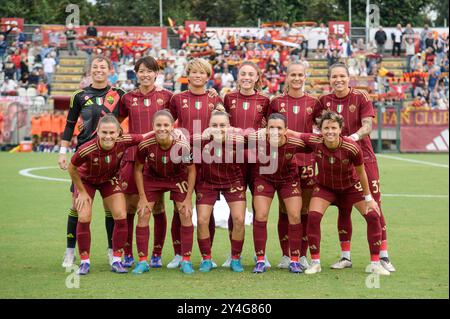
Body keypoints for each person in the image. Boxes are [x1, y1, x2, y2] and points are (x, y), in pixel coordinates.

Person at [317, 63, 396, 272]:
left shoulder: (361, 97)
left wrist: (353, 137)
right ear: (329, 79)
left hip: (364, 159)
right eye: (334, 77)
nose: (338, 80)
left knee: (374, 206)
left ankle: (384, 257)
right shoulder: (324, 101)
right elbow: (316, 127)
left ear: (348, 77)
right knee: (343, 206)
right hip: (337, 160)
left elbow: (368, 125)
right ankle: (345, 257)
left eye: (342, 76)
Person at [293, 111, 389, 276]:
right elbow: (295, 134)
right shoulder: (315, 141)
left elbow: (361, 173)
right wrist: (273, 131)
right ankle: (315, 263)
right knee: (313, 216)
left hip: (351, 187)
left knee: (373, 215)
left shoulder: (352, 147)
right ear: (320, 130)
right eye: (326, 128)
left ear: (340, 129)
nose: (330, 131)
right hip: (325, 187)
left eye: (333, 128)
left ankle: (375, 263)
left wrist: (369, 198)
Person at [58, 56, 126, 268]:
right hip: (84, 158)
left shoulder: (119, 95)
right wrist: (62, 151)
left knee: (111, 208)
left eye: (103, 67)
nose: (98, 70)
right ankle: (70, 252)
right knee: (77, 207)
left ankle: (111, 251)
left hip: (110, 158)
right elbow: (70, 125)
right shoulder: (79, 96)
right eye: (95, 67)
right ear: (90, 71)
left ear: (110, 70)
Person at [68, 114, 149, 275]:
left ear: (119, 132)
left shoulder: (123, 141)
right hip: (87, 181)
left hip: (109, 180)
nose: (108, 136)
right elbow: (72, 168)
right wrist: (82, 192)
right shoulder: (87, 148)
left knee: (120, 214)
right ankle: (85, 262)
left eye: (112, 133)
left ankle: (117, 260)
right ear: (97, 132)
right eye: (104, 132)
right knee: (84, 216)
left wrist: (171, 132)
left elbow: (144, 136)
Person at [118, 56, 173, 268]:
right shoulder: (128, 98)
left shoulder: (167, 97)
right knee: (131, 207)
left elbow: (180, 119)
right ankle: (129, 253)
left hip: (159, 157)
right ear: (136, 73)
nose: (145, 74)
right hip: (133, 156)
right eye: (141, 71)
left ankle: (157, 254)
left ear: (156, 73)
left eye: (149, 71)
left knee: (157, 206)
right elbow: (114, 121)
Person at [168, 58, 223, 269]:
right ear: (188, 75)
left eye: (202, 73)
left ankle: (206, 255)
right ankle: (178, 253)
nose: (198, 76)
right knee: (180, 207)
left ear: (207, 76)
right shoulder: (178, 98)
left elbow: (222, 125)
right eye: (194, 72)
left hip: (209, 159)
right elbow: (167, 124)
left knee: (205, 209)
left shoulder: (215, 98)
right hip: (183, 158)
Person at [269, 62, 322, 271]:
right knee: (284, 210)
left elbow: (319, 131)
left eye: (300, 75)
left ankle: (302, 255)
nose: (297, 78)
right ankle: (285, 254)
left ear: (305, 77)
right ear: (287, 77)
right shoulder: (276, 102)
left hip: (307, 163)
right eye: (293, 75)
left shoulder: (314, 102)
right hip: (283, 162)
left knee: (305, 211)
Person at [133, 110, 196, 274]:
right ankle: (142, 261)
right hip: (153, 177)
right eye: (158, 125)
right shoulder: (145, 144)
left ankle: (186, 260)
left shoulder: (182, 146)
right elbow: (138, 170)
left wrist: (188, 198)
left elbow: (191, 171)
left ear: (172, 126)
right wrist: (142, 197)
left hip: (177, 177)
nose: (162, 128)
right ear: (153, 126)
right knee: (144, 212)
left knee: (186, 213)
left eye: (166, 125)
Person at [222, 61, 271, 268]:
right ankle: (234, 255)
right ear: (237, 76)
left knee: (260, 209)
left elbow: (272, 127)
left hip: (258, 161)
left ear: (257, 77)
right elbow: (221, 124)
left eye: (251, 74)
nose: (247, 77)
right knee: (237, 211)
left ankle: (261, 254)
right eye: (243, 74)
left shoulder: (265, 100)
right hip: (234, 161)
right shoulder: (228, 98)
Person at [248, 113, 309, 274]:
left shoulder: (294, 142)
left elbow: (316, 142)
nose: (275, 131)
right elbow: (236, 137)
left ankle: (294, 260)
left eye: (279, 128)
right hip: (264, 179)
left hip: (289, 180)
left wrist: (298, 134)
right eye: (271, 128)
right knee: (260, 215)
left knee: (295, 216)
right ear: (265, 129)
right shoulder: (257, 140)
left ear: (286, 130)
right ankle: (260, 260)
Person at [193, 111, 246, 273]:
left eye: (222, 125)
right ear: (208, 127)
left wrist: (237, 133)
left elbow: (252, 137)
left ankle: (235, 258)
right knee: (202, 220)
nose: (218, 129)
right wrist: (202, 136)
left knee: (239, 218)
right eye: (214, 125)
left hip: (232, 181)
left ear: (229, 127)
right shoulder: (201, 140)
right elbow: (181, 140)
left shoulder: (237, 140)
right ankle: (206, 258)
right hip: (207, 182)